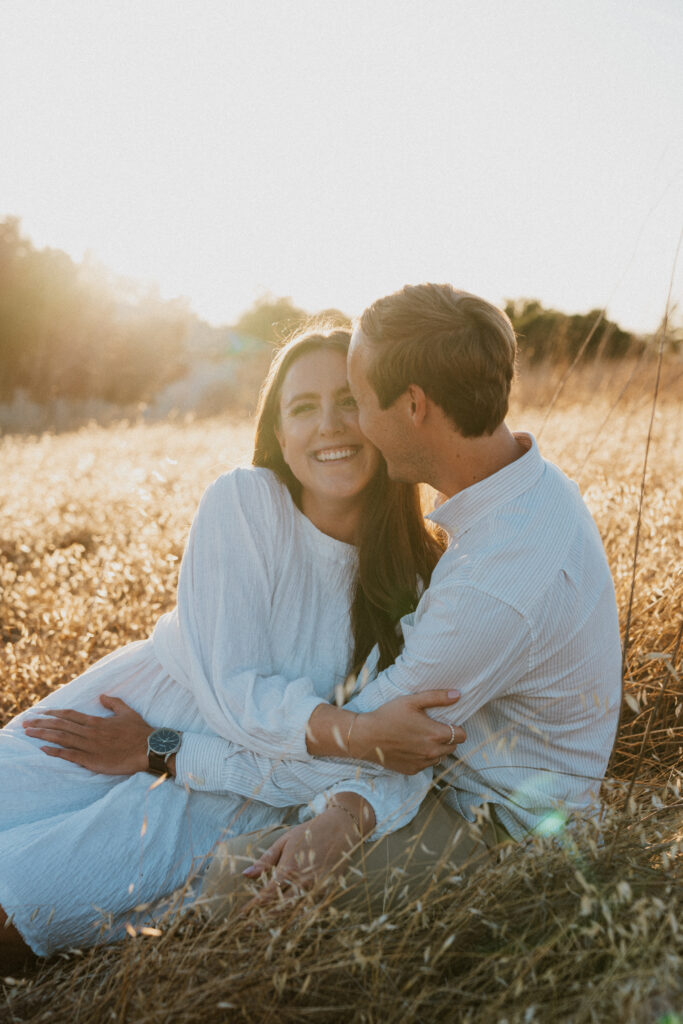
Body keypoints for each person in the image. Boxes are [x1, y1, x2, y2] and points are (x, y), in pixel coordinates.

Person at [0, 326, 464, 967]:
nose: (329, 426)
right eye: (303, 408)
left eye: (348, 401)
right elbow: (236, 694)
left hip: (221, 794)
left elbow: (406, 757)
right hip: (125, 720)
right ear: (280, 436)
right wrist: (357, 738)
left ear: (386, 418)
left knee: (23, 910)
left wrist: (348, 803)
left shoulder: (422, 581)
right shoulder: (246, 502)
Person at [200, 284, 622, 911]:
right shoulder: (527, 483)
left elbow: (370, 740)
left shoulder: (491, 586)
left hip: (505, 833)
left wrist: (175, 755)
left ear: (414, 405)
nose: (356, 427)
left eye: (361, 403)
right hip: (458, 784)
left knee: (237, 880)